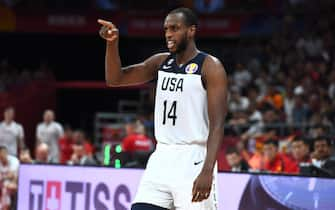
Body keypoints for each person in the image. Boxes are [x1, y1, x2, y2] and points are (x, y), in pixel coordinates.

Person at [98, 7, 228, 210]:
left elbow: (218, 125)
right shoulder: (161, 62)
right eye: (166, 28)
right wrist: (112, 44)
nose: (168, 33)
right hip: (161, 157)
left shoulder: (210, 67)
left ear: (191, 31)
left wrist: (207, 170)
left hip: (193, 158)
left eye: (175, 28)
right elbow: (115, 79)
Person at [0, 146, 19, 210]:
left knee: (8, 185)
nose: (2, 159)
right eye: (0, 157)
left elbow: (13, 176)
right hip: (3, 187)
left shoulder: (14, 161)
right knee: (5, 185)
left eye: (3, 156)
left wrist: (3, 177)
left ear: (6, 154)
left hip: (14, 185)